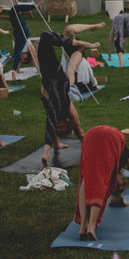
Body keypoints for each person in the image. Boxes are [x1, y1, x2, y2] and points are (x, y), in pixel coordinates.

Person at [74, 125, 129, 241]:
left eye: (118, 186)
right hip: (107, 136)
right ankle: (90, 227)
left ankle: (84, 226)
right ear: (124, 177)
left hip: (91, 136)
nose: (121, 183)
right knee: (100, 182)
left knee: (86, 178)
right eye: (123, 184)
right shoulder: (126, 158)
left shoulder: (114, 163)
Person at [38, 31, 96, 169]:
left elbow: (51, 127)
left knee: (45, 39)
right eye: (62, 126)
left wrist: (56, 145)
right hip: (60, 81)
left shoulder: (52, 109)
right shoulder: (70, 113)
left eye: (59, 128)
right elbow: (81, 134)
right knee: (70, 72)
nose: (59, 125)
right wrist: (90, 151)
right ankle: (77, 45)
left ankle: (79, 48)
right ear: (67, 123)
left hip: (49, 78)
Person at [62, 22, 106, 100]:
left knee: (70, 69)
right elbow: (79, 43)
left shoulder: (78, 54)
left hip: (77, 83)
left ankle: (71, 90)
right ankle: (93, 26)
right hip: (73, 52)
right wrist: (91, 45)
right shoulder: (71, 42)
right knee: (69, 29)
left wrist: (95, 85)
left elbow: (91, 77)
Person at [8, 3, 41, 80]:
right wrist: (39, 70)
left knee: (14, 9)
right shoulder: (28, 48)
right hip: (23, 32)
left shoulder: (18, 52)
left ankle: (14, 70)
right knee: (14, 9)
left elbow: (17, 56)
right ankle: (35, 6)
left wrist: (17, 70)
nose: (22, 58)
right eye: (25, 58)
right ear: (28, 56)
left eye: (22, 60)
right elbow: (34, 57)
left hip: (17, 29)